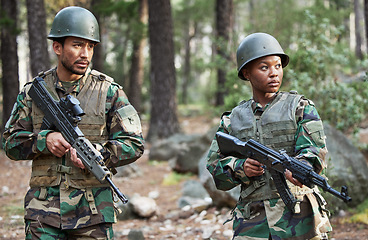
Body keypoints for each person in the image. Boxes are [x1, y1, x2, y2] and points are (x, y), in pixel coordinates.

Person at [2, 6, 144, 239]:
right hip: (43, 213)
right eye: (77, 45)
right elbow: (9, 142)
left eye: (90, 46)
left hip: (94, 213)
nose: (85, 54)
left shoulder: (109, 91)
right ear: (57, 47)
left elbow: (135, 144)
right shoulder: (33, 92)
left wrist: (102, 152)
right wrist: (43, 140)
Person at [206, 32, 332, 240]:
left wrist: (301, 166)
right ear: (246, 73)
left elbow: (314, 151)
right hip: (253, 223)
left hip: (300, 220)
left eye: (278, 66)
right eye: (264, 67)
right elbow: (214, 167)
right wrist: (241, 168)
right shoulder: (232, 120)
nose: (274, 73)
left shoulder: (300, 108)